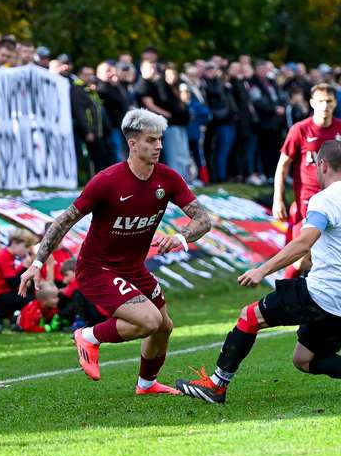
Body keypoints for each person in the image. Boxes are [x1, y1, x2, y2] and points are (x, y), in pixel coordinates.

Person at [174, 140, 341, 404]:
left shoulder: (324, 200)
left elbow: (303, 242)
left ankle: (216, 386)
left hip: (320, 294)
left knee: (249, 316)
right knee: (304, 360)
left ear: (322, 165)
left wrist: (261, 270)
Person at [19, 109, 213, 395]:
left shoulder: (168, 179)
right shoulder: (107, 181)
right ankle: (88, 336)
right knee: (150, 321)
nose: (158, 146)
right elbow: (64, 220)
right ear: (133, 144)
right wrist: (37, 262)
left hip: (134, 269)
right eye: (150, 140)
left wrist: (180, 237)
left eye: (160, 139)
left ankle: (146, 385)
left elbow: (204, 220)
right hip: (98, 270)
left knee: (164, 327)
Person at [272, 83, 341, 279]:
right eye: (320, 101)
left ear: (335, 103)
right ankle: (283, 295)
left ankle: (319, 298)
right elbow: (283, 165)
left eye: (329, 101)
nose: (325, 106)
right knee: (301, 256)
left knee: (334, 252)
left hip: (338, 200)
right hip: (308, 202)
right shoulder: (299, 130)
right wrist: (278, 198)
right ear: (312, 103)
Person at [0, 228, 36, 321]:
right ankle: (21, 320)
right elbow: (12, 283)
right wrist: (24, 267)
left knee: (29, 292)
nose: (27, 251)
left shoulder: (7, 255)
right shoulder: (4, 256)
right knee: (32, 299)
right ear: (15, 243)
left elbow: (13, 278)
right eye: (26, 247)